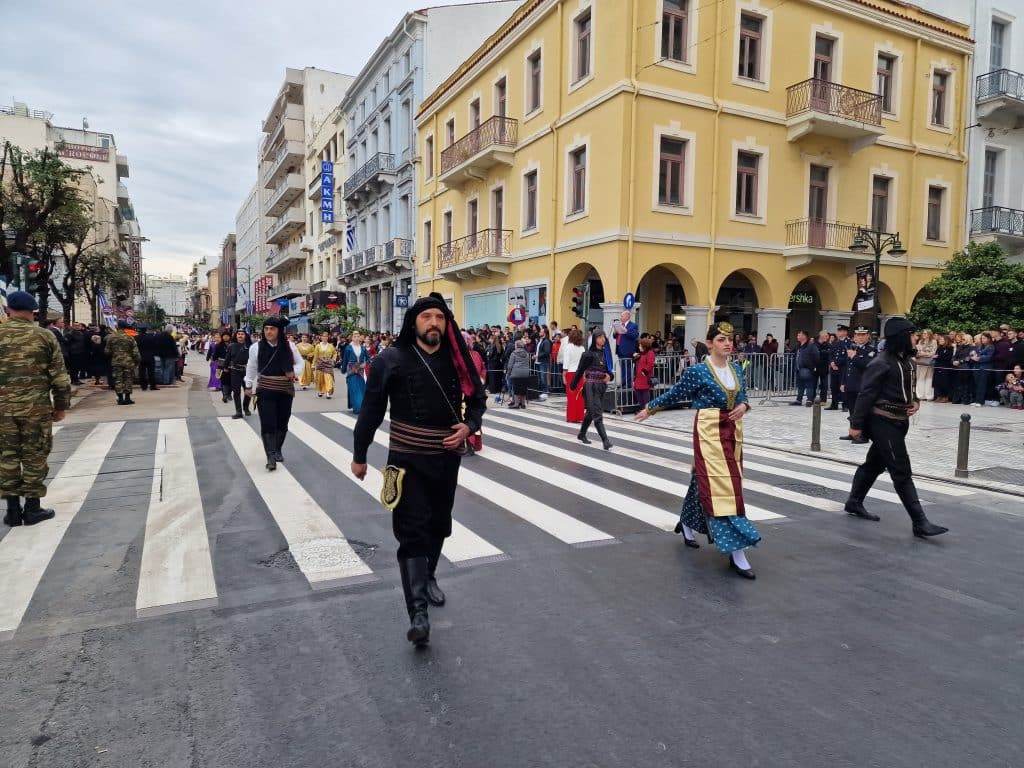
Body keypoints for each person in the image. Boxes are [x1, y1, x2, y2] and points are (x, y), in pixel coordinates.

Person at [350, 293, 487, 648]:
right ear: (414, 322)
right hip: (405, 458)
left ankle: (428, 576)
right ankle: (418, 615)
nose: (434, 323)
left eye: (439, 318)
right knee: (411, 532)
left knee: (439, 524)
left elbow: (478, 399)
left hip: (446, 457)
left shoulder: (458, 360)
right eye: (427, 317)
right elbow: (371, 411)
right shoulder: (389, 360)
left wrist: (469, 426)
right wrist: (360, 453)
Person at [635, 321, 760, 579]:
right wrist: (651, 408)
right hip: (709, 431)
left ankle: (687, 523)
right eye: (723, 339)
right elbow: (676, 393)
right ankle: (737, 552)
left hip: (733, 432)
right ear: (711, 343)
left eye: (730, 339)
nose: (728, 344)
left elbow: (743, 395)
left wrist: (745, 405)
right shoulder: (699, 371)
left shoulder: (736, 368)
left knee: (705, 479)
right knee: (723, 486)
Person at [844, 317, 948, 537]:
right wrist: (856, 425)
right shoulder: (880, 362)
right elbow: (866, 394)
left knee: (874, 463)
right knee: (901, 470)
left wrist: (916, 401)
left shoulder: (908, 362)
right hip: (882, 420)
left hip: (900, 421)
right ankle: (919, 522)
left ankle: (854, 502)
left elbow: (910, 389)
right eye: (912, 335)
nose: (915, 339)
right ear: (902, 337)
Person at [0, 291, 71, 526]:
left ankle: (11, 510)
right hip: (35, 409)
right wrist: (60, 406)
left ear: (7, 309)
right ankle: (32, 509)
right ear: (33, 312)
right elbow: (60, 378)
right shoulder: (45, 337)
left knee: (5, 457)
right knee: (34, 456)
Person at [243, 316, 304, 471]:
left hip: (285, 389)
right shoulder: (256, 347)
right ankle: (270, 456)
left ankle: (277, 449)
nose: (269, 332)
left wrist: (293, 372)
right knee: (268, 423)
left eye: (272, 329)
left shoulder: (289, 346)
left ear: (279, 330)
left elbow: (300, 363)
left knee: (282, 422)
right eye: (266, 329)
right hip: (265, 389)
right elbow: (251, 367)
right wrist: (248, 384)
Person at [570, 327, 614, 450]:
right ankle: (605, 440)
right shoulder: (587, 354)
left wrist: (609, 376)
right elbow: (579, 371)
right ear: (594, 339)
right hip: (590, 386)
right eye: (600, 337)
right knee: (597, 413)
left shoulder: (606, 354)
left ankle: (582, 434)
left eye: (604, 337)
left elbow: (610, 371)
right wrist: (573, 385)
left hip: (601, 386)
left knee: (591, 412)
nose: (603, 339)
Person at [839, 325, 874, 443]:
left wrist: (854, 357)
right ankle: (853, 432)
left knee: (861, 411)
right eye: (858, 335)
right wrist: (843, 382)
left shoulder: (870, 350)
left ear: (868, 336)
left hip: (861, 385)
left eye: (862, 335)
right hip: (850, 384)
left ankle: (863, 435)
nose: (859, 337)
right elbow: (846, 367)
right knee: (852, 410)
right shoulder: (852, 348)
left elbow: (867, 365)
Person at [106, 320, 141, 405]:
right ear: (125, 328)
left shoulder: (111, 337)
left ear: (117, 327)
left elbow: (107, 351)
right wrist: (137, 361)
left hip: (116, 362)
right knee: (128, 379)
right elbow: (135, 352)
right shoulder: (130, 338)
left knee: (118, 379)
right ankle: (128, 398)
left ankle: (120, 398)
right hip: (128, 362)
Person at [223, 329, 253, 419]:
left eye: (242, 334)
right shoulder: (231, 346)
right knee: (236, 392)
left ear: (245, 336)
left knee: (248, 390)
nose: (240, 336)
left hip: (247, 371)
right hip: (235, 371)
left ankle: (246, 407)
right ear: (236, 336)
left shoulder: (250, 346)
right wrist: (225, 367)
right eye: (238, 334)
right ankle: (238, 411)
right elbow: (227, 358)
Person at [341, 331, 371, 414]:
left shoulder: (363, 348)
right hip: (351, 370)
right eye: (355, 336)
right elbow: (345, 360)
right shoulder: (348, 348)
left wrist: (365, 363)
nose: (356, 338)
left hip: (360, 372)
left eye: (358, 336)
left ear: (360, 338)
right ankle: (357, 407)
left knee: (361, 389)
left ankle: (361, 406)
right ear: (352, 338)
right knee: (354, 389)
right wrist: (343, 370)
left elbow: (369, 359)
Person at [561, 328, 586, 423]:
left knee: (571, 395)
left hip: (570, 372)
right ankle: (579, 416)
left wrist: (564, 373)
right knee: (579, 395)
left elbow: (566, 361)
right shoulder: (582, 348)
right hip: (580, 372)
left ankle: (571, 416)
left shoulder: (568, 347)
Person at [791, 330, 819, 406]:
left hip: (807, 368)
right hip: (798, 368)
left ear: (804, 336)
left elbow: (816, 357)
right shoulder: (798, 345)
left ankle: (809, 400)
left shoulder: (811, 346)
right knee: (800, 385)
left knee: (809, 385)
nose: (797, 336)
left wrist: (811, 366)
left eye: (799, 335)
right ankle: (799, 400)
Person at [613, 310, 639, 389]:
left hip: (628, 350)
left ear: (627, 316)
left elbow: (635, 335)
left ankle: (627, 384)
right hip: (619, 349)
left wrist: (626, 331)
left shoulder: (633, 325)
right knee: (622, 367)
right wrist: (615, 332)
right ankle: (623, 383)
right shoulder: (620, 324)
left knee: (627, 368)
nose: (620, 317)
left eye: (622, 316)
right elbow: (615, 337)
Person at [828, 325, 850, 410]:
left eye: (840, 331)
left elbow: (847, 357)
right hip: (834, 368)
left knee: (843, 386)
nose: (838, 333)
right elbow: (831, 354)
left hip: (843, 368)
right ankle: (834, 404)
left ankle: (845, 405)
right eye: (838, 331)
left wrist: (836, 363)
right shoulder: (835, 342)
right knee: (834, 386)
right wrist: (832, 363)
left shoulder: (849, 343)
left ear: (845, 332)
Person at [505, 339, 532, 409]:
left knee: (516, 388)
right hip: (525, 373)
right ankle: (523, 404)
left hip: (516, 373)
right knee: (523, 388)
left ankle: (516, 404)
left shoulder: (513, 353)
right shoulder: (526, 353)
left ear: (516, 346)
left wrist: (508, 373)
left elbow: (510, 365)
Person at [312, 331, 339, 399]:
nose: (324, 338)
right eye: (323, 336)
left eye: (326, 336)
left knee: (329, 377)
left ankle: (328, 392)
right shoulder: (318, 346)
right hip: (320, 363)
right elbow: (315, 356)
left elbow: (335, 353)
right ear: (321, 337)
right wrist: (313, 364)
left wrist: (333, 360)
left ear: (328, 338)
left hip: (328, 363)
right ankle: (321, 390)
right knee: (321, 378)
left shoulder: (331, 345)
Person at [633, 334, 657, 410]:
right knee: (638, 392)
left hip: (645, 377)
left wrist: (645, 371)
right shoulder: (641, 354)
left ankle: (646, 409)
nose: (639, 347)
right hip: (638, 377)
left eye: (640, 346)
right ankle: (642, 407)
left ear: (644, 346)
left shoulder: (650, 353)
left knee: (644, 393)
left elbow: (650, 364)